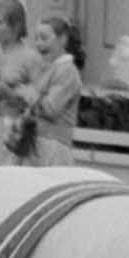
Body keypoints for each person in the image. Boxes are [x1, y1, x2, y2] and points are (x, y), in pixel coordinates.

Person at [26, 16, 82, 168]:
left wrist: (28, 95)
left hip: (55, 145)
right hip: (35, 142)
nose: (39, 43)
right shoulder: (45, 68)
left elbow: (51, 109)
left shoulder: (67, 71)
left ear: (62, 39)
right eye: (36, 38)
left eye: (44, 38)